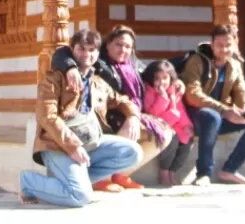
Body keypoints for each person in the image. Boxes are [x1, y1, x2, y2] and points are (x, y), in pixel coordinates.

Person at [20, 29, 142, 208]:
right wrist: (73, 146)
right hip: (57, 144)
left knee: (133, 152)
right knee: (80, 197)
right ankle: (29, 182)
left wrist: (132, 116)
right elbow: (47, 117)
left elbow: (121, 99)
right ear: (72, 50)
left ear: (98, 53)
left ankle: (76, 180)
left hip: (90, 142)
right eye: (81, 49)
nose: (86, 54)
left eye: (92, 50)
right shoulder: (53, 80)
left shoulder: (98, 82)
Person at [52, 25, 175, 190]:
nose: (123, 49)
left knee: (165, 132)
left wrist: (177, 82)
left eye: (128, 46)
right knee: (135, 130)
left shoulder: (133, 67)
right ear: (107, 44)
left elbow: (158, 71)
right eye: (118, 44)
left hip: (127, 114)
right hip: (104, 119)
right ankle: (101, 178)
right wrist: (70, 67)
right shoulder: (99, 62)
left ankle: (121, 174)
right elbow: (62, 53)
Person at [181, 25, 245, 186]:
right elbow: (192, 94)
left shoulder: (234, 65)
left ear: (234, 44)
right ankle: (204, 172)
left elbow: (242, 91)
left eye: (228, 45)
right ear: (212, 45)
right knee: (212, 116)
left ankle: (230, 169)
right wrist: (224, 110)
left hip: (221, 116)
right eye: (219, 45)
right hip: (196, 117)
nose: (224, 49)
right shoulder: (197, 61)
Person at [143, 59, 194, 186]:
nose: (162, 82)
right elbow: (153, 114)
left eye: (165, 78)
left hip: (174, 124)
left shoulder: (174, 91)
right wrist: (163, 98)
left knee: (188, 139)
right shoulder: (149, 92)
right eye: (157, 78)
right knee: (173, 139)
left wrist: (187, 125)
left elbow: (180, 110)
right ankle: (164, 171)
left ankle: (173, 170)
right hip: (159, 125)